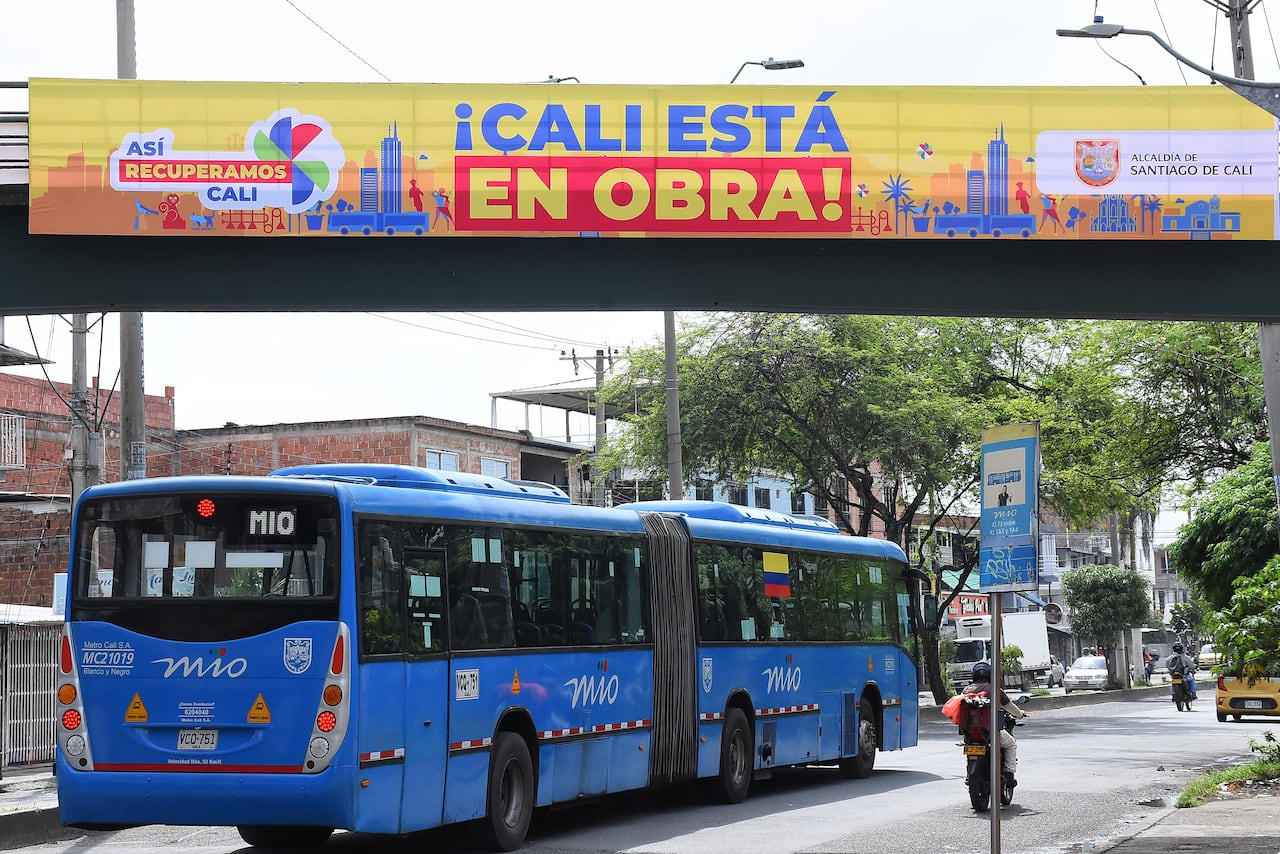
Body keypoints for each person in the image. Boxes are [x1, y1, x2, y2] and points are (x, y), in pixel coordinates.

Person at [961, 661, 1030, 784]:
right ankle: (1009, 774)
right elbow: (1010, 707)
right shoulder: (994, 689)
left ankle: (969, 774)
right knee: (1011, 744)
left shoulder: (965, 690)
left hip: (969, 733)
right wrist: (1019, 714)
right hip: (989, 732)